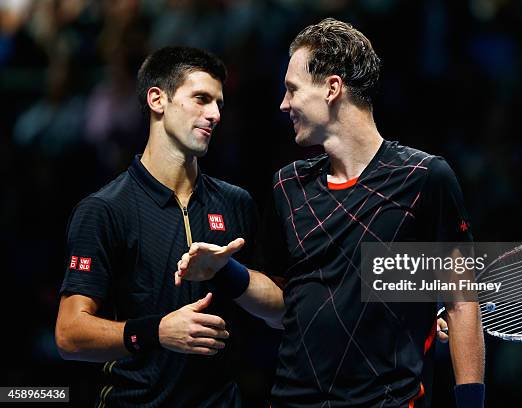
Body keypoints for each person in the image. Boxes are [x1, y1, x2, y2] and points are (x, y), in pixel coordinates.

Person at [177, 18, 484, 407]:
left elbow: (461, 302)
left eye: (292, 90)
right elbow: (283, 306)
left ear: (332, 88)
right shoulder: (286, 186)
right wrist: (226, 272)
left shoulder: (424, 178)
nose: (283, 104)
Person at [55, 46, 282, 407]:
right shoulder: (104, 209)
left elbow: (281, 313)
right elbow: (69, 334)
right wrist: (157, 332)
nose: (215, 114)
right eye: (202, 99)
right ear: (157, 99)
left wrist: (229, 272)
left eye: (219, 104)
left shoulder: (236, 203)